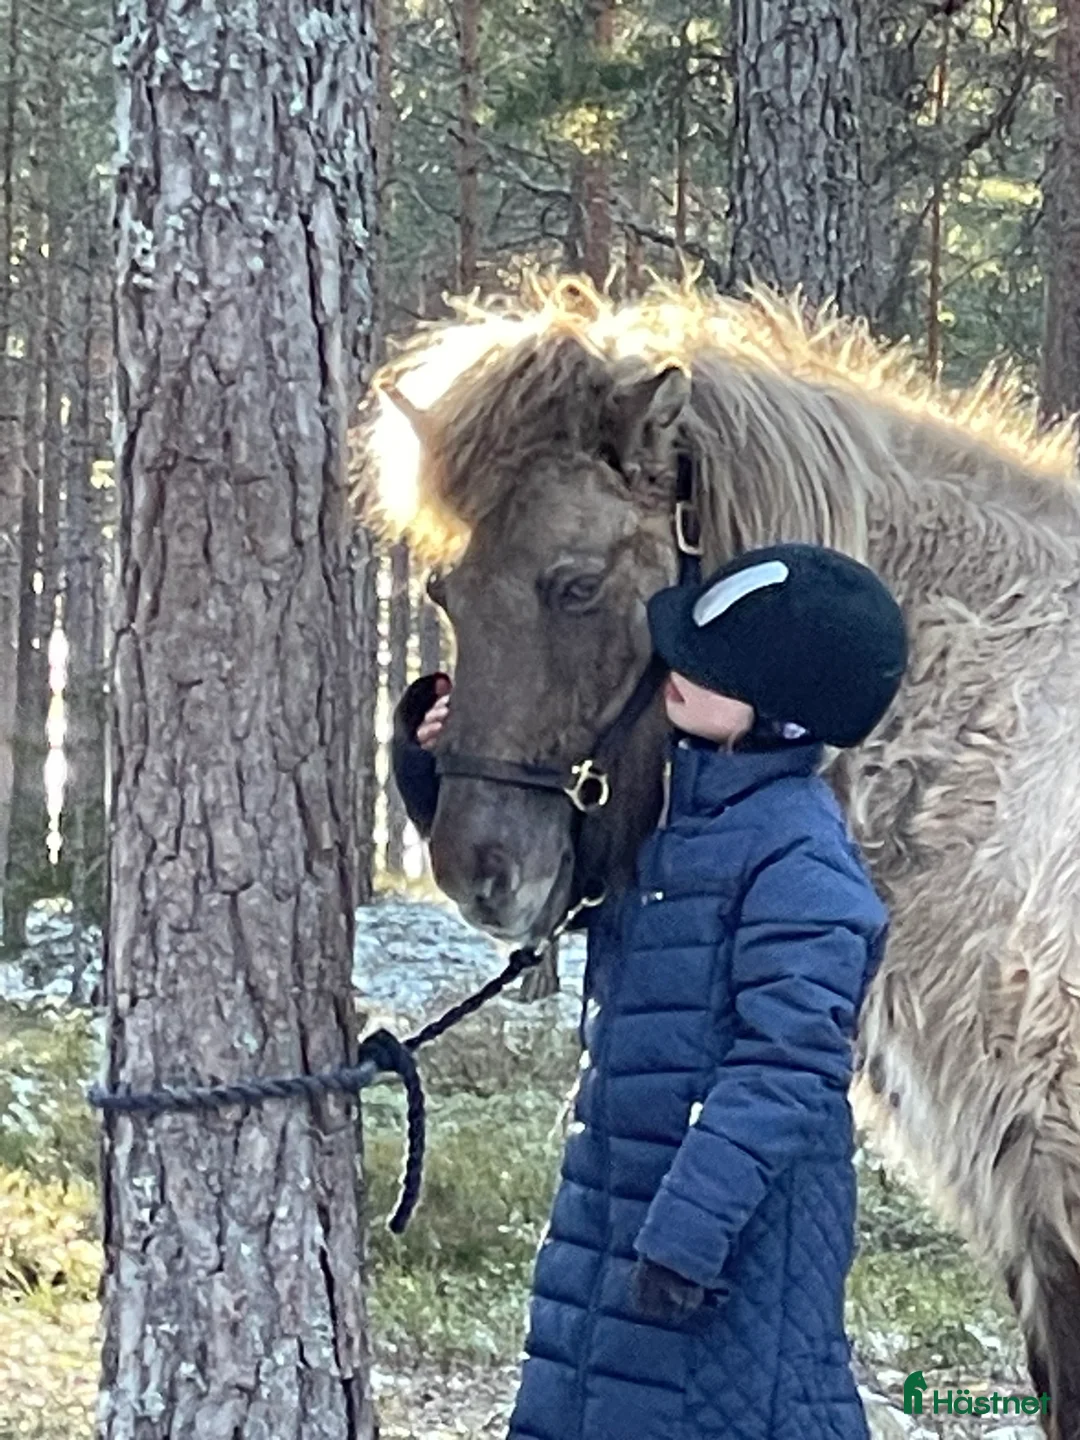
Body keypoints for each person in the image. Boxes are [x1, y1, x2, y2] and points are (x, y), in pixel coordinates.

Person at [390, 542, 908, 1440]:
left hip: (719, 1253)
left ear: (776, 712)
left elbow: (788, 1068)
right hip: (614, 1231)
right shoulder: (675, 816)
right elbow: (555, 895)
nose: (673, 667)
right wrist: (430, 770)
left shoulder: (803, 859)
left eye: (708, 664)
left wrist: (687, 1234)